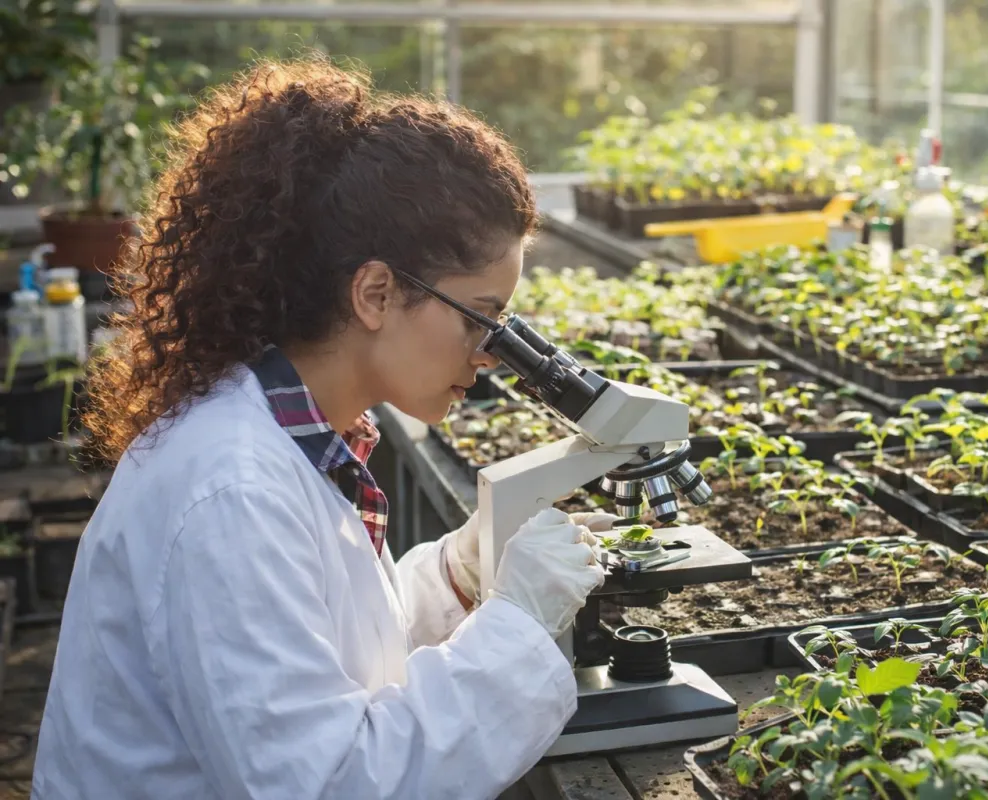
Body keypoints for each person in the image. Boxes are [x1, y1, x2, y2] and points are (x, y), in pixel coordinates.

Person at [33, 57, 617, 800]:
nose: (492, 355)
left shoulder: (290, 434)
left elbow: (325, 654)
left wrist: (460, 579)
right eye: (483, 317)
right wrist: (520, 624)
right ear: (375, 292)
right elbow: (326, 781)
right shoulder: (231, 493)